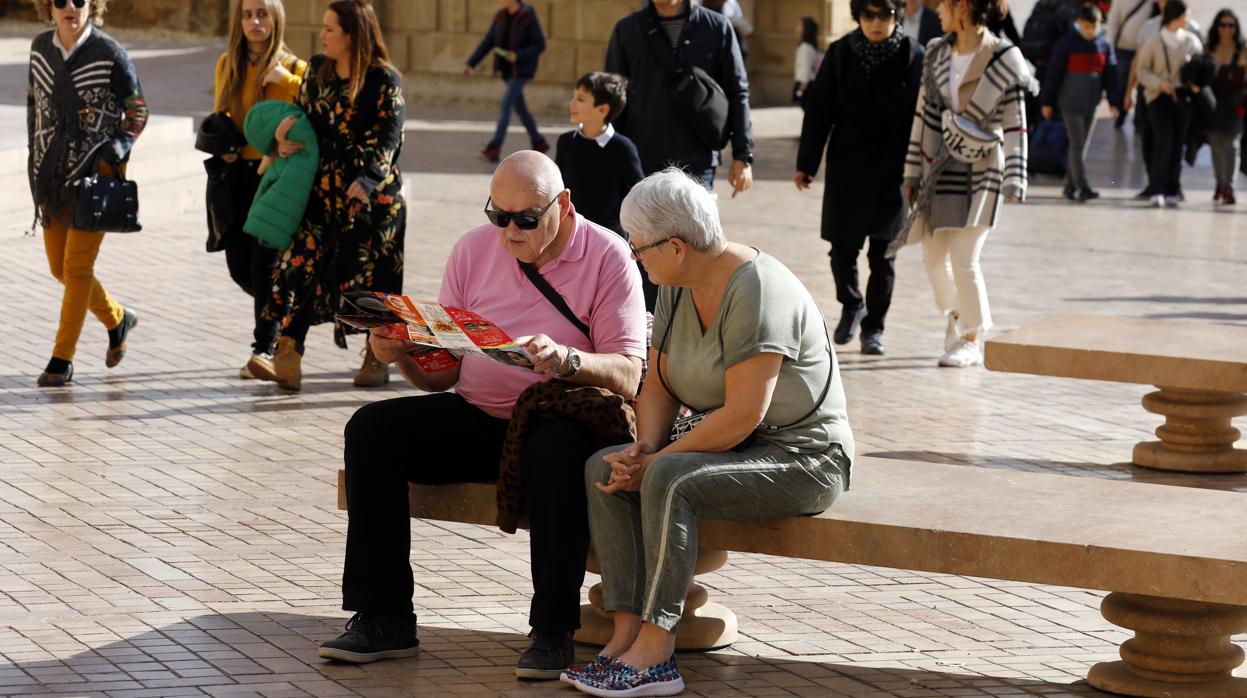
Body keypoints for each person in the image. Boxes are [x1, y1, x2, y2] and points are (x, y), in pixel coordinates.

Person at [318, 152, 647, 681]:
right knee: (371, 431)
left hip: (555, 420)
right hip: (478, 413)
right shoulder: (473, 249)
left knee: (556, 447)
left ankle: (552, 630)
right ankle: (383, 618)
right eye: (500, 215)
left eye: (526, 219)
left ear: (563, 206)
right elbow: (444, 373)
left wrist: (569, 360)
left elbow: (630, 373)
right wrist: (399, 351)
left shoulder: (608, 256)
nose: (509, 230)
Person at [567, 168, 853, 696]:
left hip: (805, 459)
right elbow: (656, 386)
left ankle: (656, 654)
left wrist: (659, 462)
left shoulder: (757, 289)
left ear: (675, 246)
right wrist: (644, 448)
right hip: (739, 444)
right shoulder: (678, 282)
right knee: (606, 465)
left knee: (670, 479)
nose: (634, 257)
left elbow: (743, 413)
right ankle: (625, 635)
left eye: (639, 247)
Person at [248, 0, 404, 391]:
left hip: (372, 200)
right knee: (301, 266)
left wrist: (368, 178)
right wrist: (282, 139)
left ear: (353, 34)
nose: (323, 34)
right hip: (321, 192)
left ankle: (376, 356)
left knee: (374, 279)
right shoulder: (318, 70)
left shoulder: (384, 78)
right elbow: (300, 117)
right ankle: (288, 354)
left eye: (331, 28)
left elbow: (390, 135)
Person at [903, 0, 1034, 368]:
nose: (936, 11)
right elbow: (923, 115)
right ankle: (960, 314)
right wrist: (912, 171)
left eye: (942, 4)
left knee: (964, 259)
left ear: (962, 7)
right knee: (933, 259)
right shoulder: (936, 52)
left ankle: (972, 338)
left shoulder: (1005, 57)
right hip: (940, 169)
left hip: (984, 169)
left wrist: (1015, 177)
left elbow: (1015, 123)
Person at [27, 0, 147, 387]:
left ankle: (62, 359)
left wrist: (120, 147)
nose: (70, 7)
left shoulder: (110, 53)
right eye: (60, 0)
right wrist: (35, 158)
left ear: (92, 6)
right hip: (50, 177)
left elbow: (138, 111)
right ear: (48, 6)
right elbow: (35, 106)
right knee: (59, 268)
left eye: (79, 0)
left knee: (77, 269)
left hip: (95, 177)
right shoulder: (39, 48)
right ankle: (117, 319)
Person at [796, 0, 923, 357]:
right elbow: (820, 110)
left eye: (885, 15)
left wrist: (920, 169)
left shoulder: (915, 54)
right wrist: (807, 162)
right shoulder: (841, 53)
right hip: (848, 167)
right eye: (869, 15)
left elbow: (925, 115)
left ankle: (874, 328)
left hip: (894, 170)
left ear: (897, 16)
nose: (877, 23)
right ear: (858, 16)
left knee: (884, 256)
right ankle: (852, 304)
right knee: (842, 250)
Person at [212, 0, 307, 378]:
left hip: (277, 175)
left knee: (264, 265)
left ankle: (264, 346)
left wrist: (285, 79)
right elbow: (221, 113)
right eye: (248, 14)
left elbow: (311, 108)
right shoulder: (227, 64)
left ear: (276, 19)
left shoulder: (296, 68)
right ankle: (284, 314)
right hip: (238, 175)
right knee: (239, 266)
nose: (255, 21)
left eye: (262, 14)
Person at [606, 0, 755, 196]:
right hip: (643, 158)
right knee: (645, 226)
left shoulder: (716, 26)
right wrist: (612, 155)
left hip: (698, 157)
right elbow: (613, 96)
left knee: (694, 226)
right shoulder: (627, 29)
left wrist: (743, 156)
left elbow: (737, 91)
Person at [555, 72, 653, 306]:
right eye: (573, 96)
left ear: (602, 109)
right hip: (570, 240)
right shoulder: (566, 143)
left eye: (580, 98)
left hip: (608, 243)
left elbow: (639, 197)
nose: (572, 103)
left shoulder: (622, 148)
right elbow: (556, 189)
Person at [1039, 3, 1120, 202]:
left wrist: (1113, 101)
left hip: (1091, 103)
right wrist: (1046, 102)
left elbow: (1111, 75)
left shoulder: (1104, 44)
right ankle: (1082, 186)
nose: (1090, 31)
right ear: (1079, 23)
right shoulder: (1066, 44)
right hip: (1070, 102)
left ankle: (1069, 185)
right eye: (1086, 27)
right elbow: (1054, 75)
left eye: (1094, 27)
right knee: (1077, 143)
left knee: (1082, 144)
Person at [1123, 0, 1200, 199]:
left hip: (1183, 99)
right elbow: (1141, 69)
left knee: (1177, 144)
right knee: (1162, 140)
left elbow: (1201, 66)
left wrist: (1195, 81)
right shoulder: (1153, 39)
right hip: (1156, 97)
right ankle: (1156, 188)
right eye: (1185, 15)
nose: (1188, 19)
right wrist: (1158, 84)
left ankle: (1172, 188)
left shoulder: (1191, 40)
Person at [465, 0, 548, 163]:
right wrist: (471, 63)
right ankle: (539, 141)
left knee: (506, 104)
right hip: (507, 71)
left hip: (522, 70)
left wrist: (519, 55)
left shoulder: (527, 15)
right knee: (521, 108)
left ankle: (494, 147)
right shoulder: (501, 16)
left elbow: (539, 44)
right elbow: (488, 41)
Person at [1206, 9, 1246, 205]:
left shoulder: (1243, 49)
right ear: (1217, 27)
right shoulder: (1209, 49)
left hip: (1236, 104)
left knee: (1232, 144)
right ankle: (1219, 183)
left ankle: (1229, 186)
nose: (1227, 29)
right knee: (1216, 145)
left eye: (1231, 25)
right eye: (1223, 25)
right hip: (1213, 103)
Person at [1106, 0, 1155, 129]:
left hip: (1146, 48)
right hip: (1124, 48)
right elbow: (1113, 22)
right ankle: (1121, 113)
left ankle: (1139, 118)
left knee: (1143, 83)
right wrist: (1110, 47)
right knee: (1122, 82)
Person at [792, 16, 822, 106]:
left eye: (799, 26)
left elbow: (806, 68)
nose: (796, 28)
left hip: (805, 84)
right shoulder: (808, 47)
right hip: (807, 83)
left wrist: (801, 88)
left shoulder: (805, 48)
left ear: (805, 29)